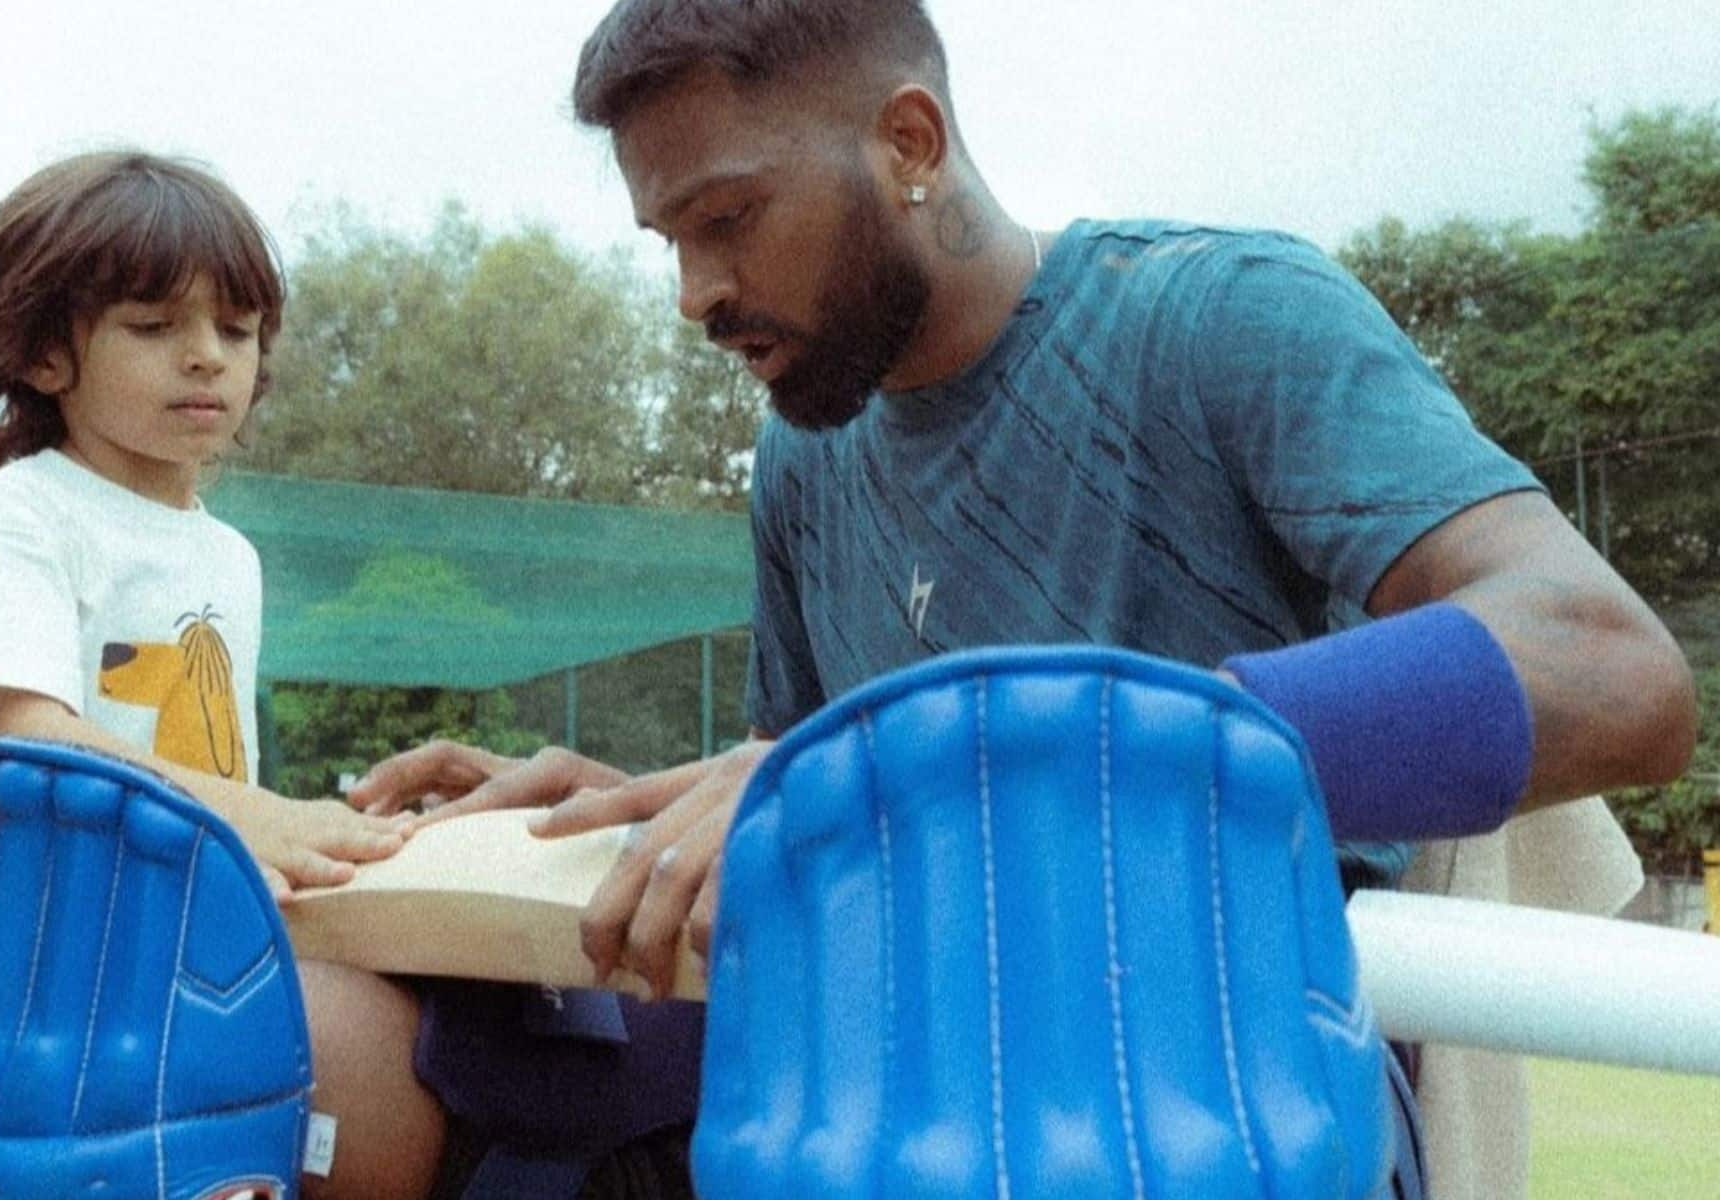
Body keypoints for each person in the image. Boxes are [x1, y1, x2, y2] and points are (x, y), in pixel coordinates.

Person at [324, 2, 1699, 1197]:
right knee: (346, 1052)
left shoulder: (1222, 318)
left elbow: (1612, 674)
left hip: (1202, 1061)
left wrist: (977, 771)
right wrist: (597, 824)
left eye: (728, 219)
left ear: (910, 144)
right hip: (884, 1052)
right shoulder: (806, 453)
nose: (694, 294)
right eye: (668, 239)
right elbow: (825, 810)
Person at [0, 150, 415, 1094]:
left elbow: (210, 773)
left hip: (168, 1005)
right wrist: (255, 819)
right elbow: (31, 738)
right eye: (154, 325)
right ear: (44, 354)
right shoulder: (20, 515)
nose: (206, 353)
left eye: (236, 329)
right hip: (8, 1025)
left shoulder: (228, 557)